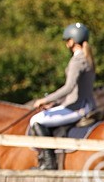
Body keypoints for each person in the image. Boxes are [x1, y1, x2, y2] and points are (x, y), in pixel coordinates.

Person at [29, 23, 97, 170]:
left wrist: (45, 100)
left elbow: (68, 87)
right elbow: (75, 90)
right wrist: (55, 104)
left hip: (77, 108)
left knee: (36, 120)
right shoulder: (87, 58)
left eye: (67, 40)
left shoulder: (77, 61)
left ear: (72, 41)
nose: (66, 43)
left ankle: (49, 163)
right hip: (84, 105)